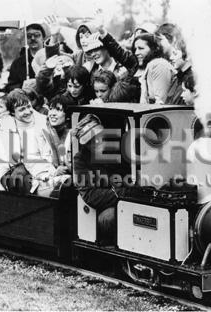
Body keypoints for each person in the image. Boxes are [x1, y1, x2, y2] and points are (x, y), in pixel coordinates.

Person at [72, 114, 134, 244]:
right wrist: (120, 193)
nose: (96, 142)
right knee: (110, 217)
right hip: (104, 208)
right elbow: (89, 195)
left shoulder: (119, 149)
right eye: (89, 141)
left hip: (129, 198)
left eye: (97, 137)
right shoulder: (80, 160)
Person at [98, 27, 174, 104]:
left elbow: (160, 102)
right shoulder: (136, 63)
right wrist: (103, 33)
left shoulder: (159, 66)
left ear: (154, 48)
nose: (136, 52)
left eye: (141, 48)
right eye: (135, 49)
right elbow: (119, 53)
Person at [7, 24, 46, 91]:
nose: (32, 38)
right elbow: (10, 86)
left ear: (43, 38)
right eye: (29, 36)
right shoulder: (17, 63)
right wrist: (22, 86)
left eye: (36, 35)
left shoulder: (51, 59)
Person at [44, 94, 72, 173]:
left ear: (67, 115)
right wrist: (54, 171)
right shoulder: (43, 132)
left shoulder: (72, 135)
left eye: (58, 110)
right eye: (51, 109)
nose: (53, 113)